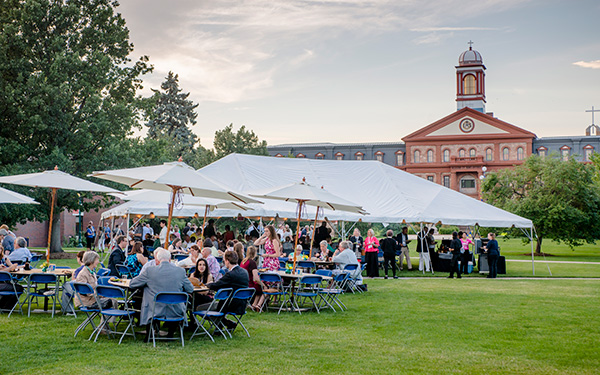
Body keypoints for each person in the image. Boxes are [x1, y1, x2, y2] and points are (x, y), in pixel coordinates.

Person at [130, 248, 194, 340]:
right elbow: (190, 289)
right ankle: (171, 334)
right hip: (176, 310)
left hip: (154, 310)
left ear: (157, 260)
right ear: (169, 259)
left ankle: (149, 334)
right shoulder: (180, 271)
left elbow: (133, 284)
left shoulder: (149, 271)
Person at [206, 250, 249, 330]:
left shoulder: (230, 274)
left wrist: (206, 285)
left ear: (227, 261)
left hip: (231, 304)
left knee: (209, 308)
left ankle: (221, 325)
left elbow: (217, 285)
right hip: (242, 303)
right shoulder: (244, 272)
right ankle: (226, 323)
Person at [240, 245, 264, 312]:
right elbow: (256, 278)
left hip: (242, 284)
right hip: (249, 284)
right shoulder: (252, 263)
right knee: (261, 287)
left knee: (258, 286)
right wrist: (263, 285)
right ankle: (257, 304)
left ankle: (254, 304)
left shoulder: (243, 262)